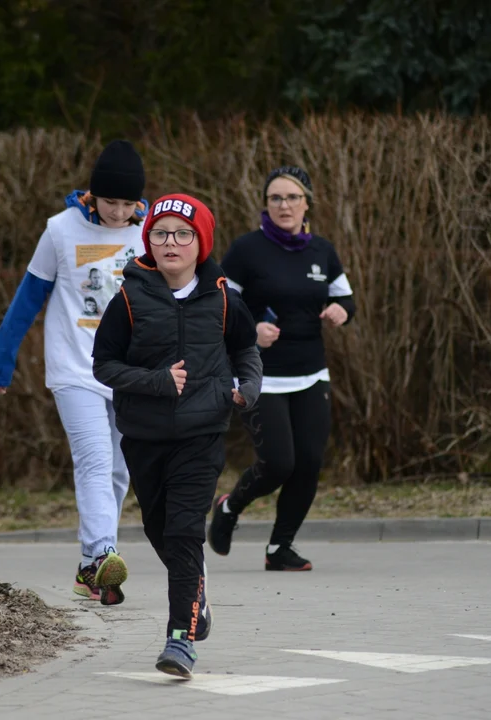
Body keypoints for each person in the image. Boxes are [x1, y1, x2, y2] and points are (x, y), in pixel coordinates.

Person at [92, 194, 262, 678]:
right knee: (158, 528)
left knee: (186, 532)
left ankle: (180, 639)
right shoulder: (128, 298)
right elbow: (104, 364)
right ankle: (197, 595)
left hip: (202, 432)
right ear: (149, 240)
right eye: (161, 233)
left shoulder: (226, 298)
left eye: (183, 234)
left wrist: (246, 390)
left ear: (200, 243)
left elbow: (246, 351)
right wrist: (156, 382)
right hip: (144, 435)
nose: (171, 242)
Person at [0, 140, 148, 605]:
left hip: (130, 371)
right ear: (92, 195)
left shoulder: (152, 232)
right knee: (94, 459)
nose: (117, 213)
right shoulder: (60, 231)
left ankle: (86, 569)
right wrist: (1, 362)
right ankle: (103, 556)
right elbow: (27, 299)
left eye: (127, 204)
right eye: (109, 202)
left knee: (118, 471)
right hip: (75, 368)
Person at [209, 165, 356, 572]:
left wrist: (340, 311)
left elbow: (347, 300)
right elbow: (219, 306)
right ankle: (229, 506)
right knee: (279, 462)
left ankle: (280, 549)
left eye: (292, 197)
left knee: (308, 462)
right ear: (266, 204)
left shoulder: (322, 251)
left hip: (311, 372)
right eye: (275, 198)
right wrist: (251, 331)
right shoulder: (245, 251)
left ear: (307, 203)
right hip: (261, 374)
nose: (284, 205)